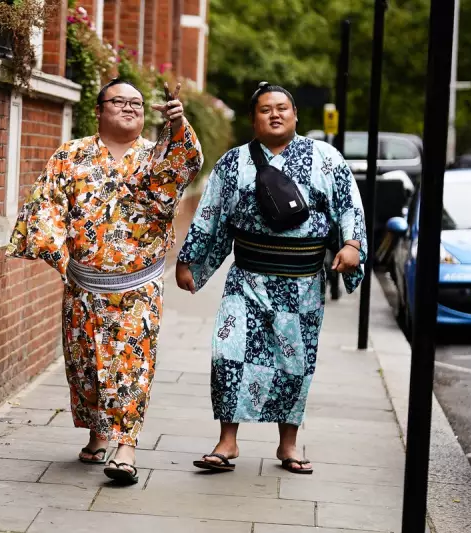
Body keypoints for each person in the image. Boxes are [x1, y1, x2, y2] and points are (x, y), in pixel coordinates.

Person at [6, 78, 203, 484]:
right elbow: (45, 210)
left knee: (132, 364)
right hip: (83, 282)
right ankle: (99, 434)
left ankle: (125, 447)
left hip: (138, 286)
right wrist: (61, 259)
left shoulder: (156, 155)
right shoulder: (71, 156)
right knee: (86, 364)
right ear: (98, 110)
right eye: (119, 100)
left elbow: (186, 164)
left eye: (137, 103)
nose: (130, 107)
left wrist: (179, 126)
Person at [175, 82, 366, 474]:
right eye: (265, 109)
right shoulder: (233, 163)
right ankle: (227, 442)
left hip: (301, 284)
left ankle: (288, 444)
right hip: (245, 278)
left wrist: (352, 245)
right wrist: (190, 261)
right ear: (253, 118)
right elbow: (211, 214)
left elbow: (349, 205)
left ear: (296, 115)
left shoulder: (325, 158)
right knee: (228, 354)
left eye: (282, 108)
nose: (275, 114)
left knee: (294, 363)